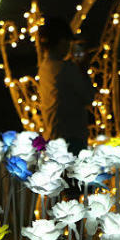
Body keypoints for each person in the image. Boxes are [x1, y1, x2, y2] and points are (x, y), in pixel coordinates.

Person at [36, 17, 95, 154]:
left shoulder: (45, 67)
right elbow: (89, 97)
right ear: (62, 41)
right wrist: (83, 71)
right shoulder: (67, 68)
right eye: (69, 41)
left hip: (52, 136)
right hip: (72, 138)